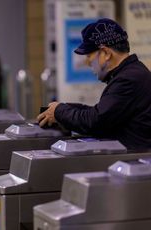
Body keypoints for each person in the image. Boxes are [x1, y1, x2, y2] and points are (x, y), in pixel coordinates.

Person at [37, 18, 151, 150]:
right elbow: (102, 112)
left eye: (89, 56)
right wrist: (65, 108)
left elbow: (96, 121)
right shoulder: (132, 73)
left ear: (106, 53)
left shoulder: (128, 79)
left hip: (135, 162)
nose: (87, 63)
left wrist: (60, 112)